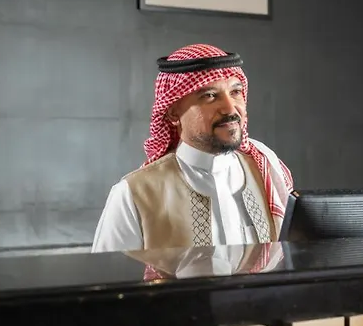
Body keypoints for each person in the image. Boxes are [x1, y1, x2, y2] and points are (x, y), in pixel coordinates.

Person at [92, 43, 293, 253]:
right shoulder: (134, 194)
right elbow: (110, 271)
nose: (230, 108)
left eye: (235, 92)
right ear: (173, 113)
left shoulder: (266, 172)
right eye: (209, 96)